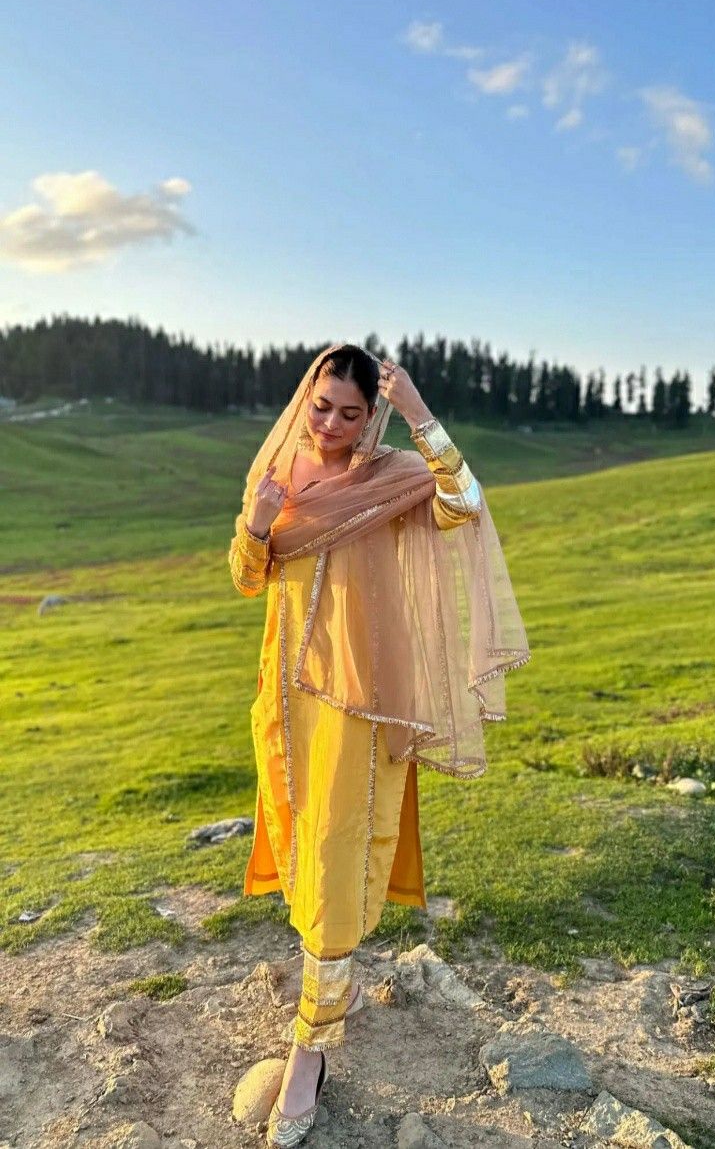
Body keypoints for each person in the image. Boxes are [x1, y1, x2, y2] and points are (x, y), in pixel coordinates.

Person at [228, 343, 530, 1146]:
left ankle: (308, 1051)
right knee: (302, 853)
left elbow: (464, 501)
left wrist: (423, 413)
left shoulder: (395, 477)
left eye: (350, 413)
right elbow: (248, 577)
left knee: (333, 859)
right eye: (321, 406)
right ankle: (338, 990)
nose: (329, 426)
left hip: (357, 710)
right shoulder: (283, 467)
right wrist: (256, 525)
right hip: (286, 703)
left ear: (375, 417)